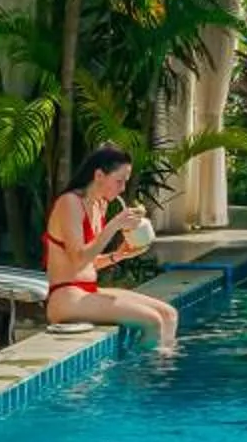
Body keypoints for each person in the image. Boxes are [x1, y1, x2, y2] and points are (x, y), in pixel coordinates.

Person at [42, 143, 178, 356]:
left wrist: (118, 255)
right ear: (98, 175)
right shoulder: (69, 203)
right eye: (119, 181)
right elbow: (78, 260)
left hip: (87, 292)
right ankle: (148, 380)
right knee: (152, 321)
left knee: (169, 314)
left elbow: (89, 263)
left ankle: (160, 371)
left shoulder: (99, 205)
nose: (123, 188)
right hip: (66, 298)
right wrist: (113, 225)